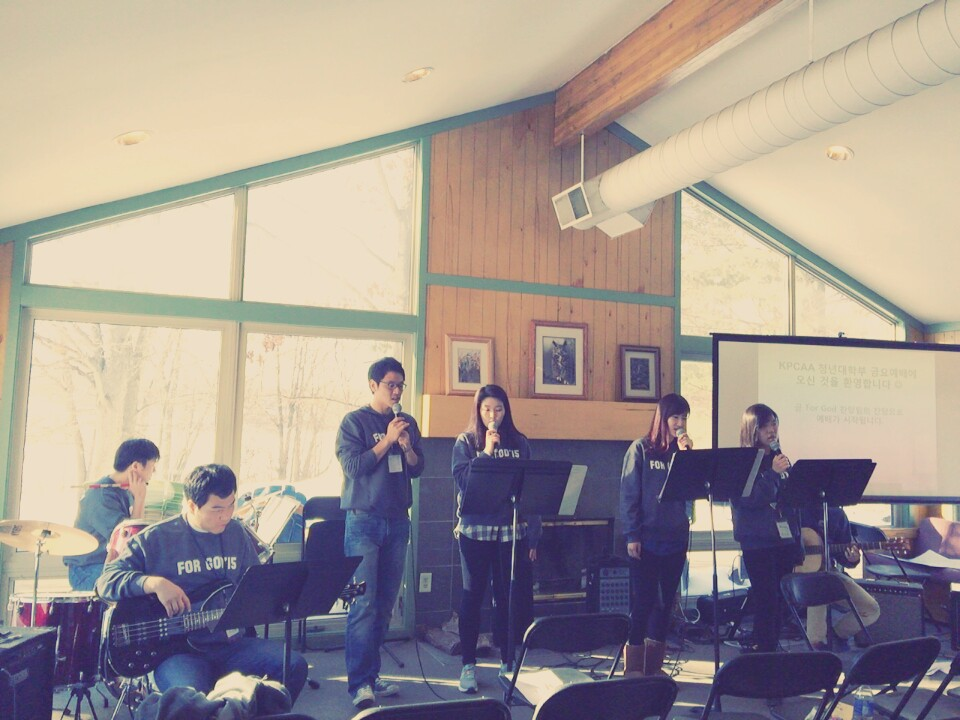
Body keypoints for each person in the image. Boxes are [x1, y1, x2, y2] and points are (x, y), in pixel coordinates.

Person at [96, 464, 307, 702]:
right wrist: (153, 583)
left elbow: (255, 584)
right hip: (179, 652)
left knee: (294, 666)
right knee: (193, 701)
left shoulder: (236, 533)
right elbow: (105, 581)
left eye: (231, 505)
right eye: (216, 509)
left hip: (232, 645)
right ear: (191, 505)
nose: (226, 515)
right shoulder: (156, 539)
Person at [336, 357, 425, 710]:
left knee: (386, 604)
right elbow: (353, 467)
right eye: (391, 384)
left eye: (401, 385)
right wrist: (387, 441)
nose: (397, 390)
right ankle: (359, 684)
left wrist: (406, 446)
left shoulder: (407, 423)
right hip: (364, 521)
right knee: (363, 604)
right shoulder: (354, 422)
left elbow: (418, 468)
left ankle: (371, 676)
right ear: (373, 385)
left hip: (398, 521)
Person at [451, 384, 540, 694]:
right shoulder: (466, 442)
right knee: (472, 596)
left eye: (499, 409)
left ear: (506, 411)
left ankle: (507, 662)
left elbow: (531, 491)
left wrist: (534, 536)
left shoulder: (519, 442)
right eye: (487, 409)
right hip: (475, 530)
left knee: (507, 597)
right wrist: (487, 452)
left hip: (510, 530)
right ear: (478, 411)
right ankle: (468, 665)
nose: (493, 415)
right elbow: (463, 482)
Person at [619, 393, 693, 676]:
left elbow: (692, 493)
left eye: (684, 418)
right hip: (646, 539)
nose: (680, 423)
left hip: (676, 539)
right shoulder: (641, 449)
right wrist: (632, 535)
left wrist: (687, 458)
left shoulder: (682, 454)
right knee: (644, 602)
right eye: (675, 417)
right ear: (663, 418)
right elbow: (629, 494)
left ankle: (654, 667)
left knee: (666, 604)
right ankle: (633, 667)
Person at [730, 403, 800, 652]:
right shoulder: (743, 462)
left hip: (783, 539)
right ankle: (765, 650)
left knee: (781, 597)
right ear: (752, 429)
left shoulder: (778, 459)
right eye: (765, 425)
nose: (772, 430)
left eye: (774, 423)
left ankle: (770, 647)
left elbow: (791, 501)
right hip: (757, 540)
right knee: (766, 597)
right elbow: (748, 500)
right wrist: (772, 474)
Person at [64, 438, 158, 591]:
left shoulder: (124, 490)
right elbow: (127, 541)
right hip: (86, 570)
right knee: (141, 582)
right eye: (152, 466)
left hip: (108, 564)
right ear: (136, 466)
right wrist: (140, 499)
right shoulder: (102, 496)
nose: (153, 471)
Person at [797, 504, 880, 649]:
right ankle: (816, 643)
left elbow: (843, 557)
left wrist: (852, 559)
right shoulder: (792, 509)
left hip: (830, 572)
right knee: (820, 584)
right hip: (795, 574)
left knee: (871, 609)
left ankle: (836, 635)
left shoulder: (836, 514)